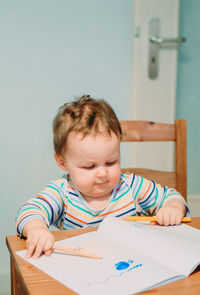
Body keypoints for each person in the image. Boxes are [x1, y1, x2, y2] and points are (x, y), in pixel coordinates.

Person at [16, 95, 189, 259]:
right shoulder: (62, 192)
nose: (102, 173)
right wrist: (37, 230)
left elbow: (171, 197)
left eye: (111, 162)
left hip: (132, 266)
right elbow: (28, 212)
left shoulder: (130, 185)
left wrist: (173, 208)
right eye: (90, 166)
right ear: (62, 163)